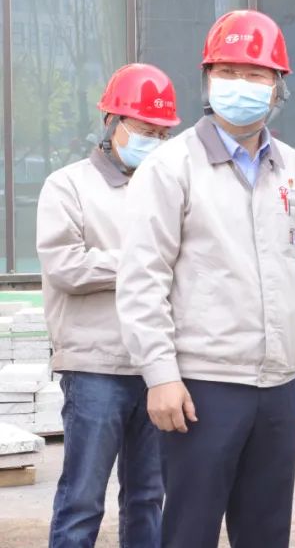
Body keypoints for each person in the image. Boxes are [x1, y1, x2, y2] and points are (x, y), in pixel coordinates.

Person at [116, 10, 295, 548]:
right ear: (207, 79)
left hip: (277, 383)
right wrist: (160, 374)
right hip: (201, 386)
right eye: (228, 71)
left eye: (255, 74)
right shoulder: (171, 167)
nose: (240, 84)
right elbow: (142, 280)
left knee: (266, 531)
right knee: (190, 529)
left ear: (278, 86)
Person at [38, 63, 180, 548]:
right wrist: (143, 263)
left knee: (147, 497)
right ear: (111, 122)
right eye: (144, 129)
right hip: (95, 366)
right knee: (82, 498)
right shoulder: (68, 186)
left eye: (161, 133)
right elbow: (66, 267)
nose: (153, 140)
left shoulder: (168, 187)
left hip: (157, 369)